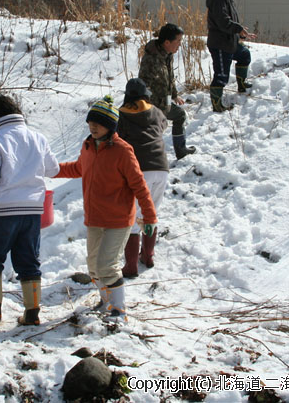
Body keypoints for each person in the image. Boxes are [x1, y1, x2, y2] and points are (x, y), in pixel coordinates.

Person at [55, 96, 157, 320]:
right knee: (93, 266)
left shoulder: (123, 151)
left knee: (106, 266)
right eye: (91, 122)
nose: (93, 126)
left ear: (110, 127)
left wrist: (149, 217)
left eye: (99, 123)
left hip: (118, 220)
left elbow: (139, 185)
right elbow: (78, 168)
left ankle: (119, 310)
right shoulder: (89, 146)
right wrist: (52, 169)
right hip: (94, 219)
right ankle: (106, 301)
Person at [0, 95, 59, 326]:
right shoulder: (38, 137)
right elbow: (53, 169)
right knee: (28, 260)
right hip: (32, 211)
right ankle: (32, 313)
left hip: (3, 212)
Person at [117, 78, 168, 278]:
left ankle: (130, 266)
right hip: (161, 167)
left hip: (138, 169)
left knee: (133, 217)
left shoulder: (121, 114)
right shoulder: (155, 111)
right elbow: (163, 125)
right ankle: (148, 256)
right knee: (150, 213)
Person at [138, 23, 196, 159]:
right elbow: (143, 86)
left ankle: (181, 151)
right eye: (178, 41)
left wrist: (174, 95)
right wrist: (148, 108)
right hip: (153, 106)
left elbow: (169, 77)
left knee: (180, 115)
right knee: (152, 134)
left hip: (165, 102)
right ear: (167, 42)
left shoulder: (167, 54)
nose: (180, 45)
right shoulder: (151, 59)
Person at [206, 0, 256, 112]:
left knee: (244, 55)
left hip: (230, 42)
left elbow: (230, 21)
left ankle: (242, 84)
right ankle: (217, 105)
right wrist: (237, 28)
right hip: (220, 44)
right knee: (221, 75)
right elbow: (222, 21)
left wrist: (239, 31)